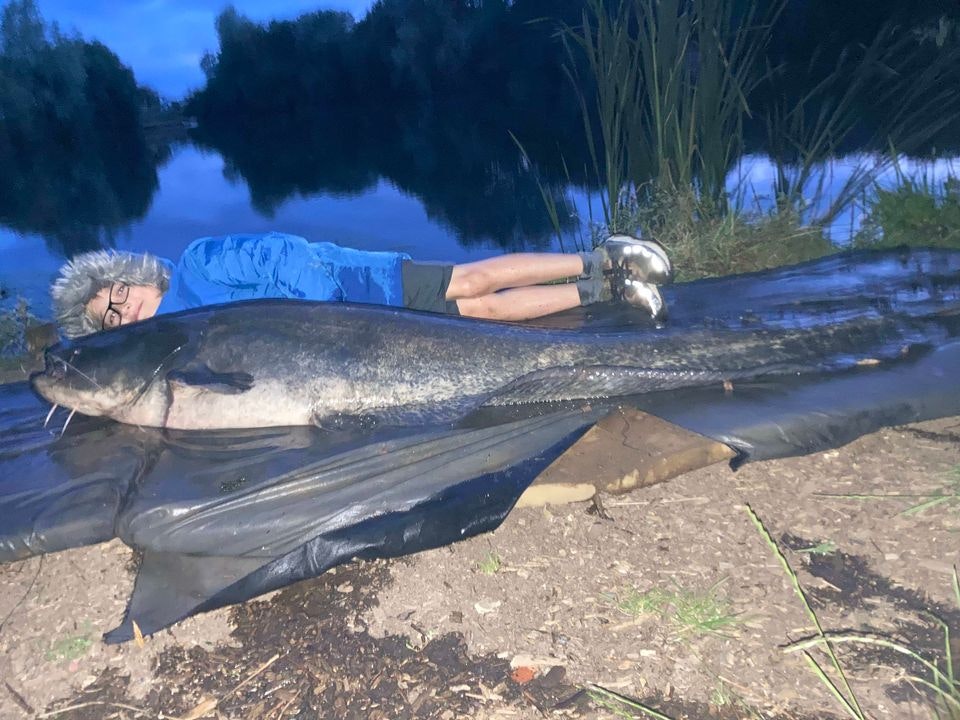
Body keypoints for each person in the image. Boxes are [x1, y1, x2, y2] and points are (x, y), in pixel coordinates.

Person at [52, 231, 672, 338]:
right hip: (361, 338)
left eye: (115, 297)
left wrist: (325, 315)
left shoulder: (197, 262)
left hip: (361, 286)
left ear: (127, 277)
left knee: (470, 279)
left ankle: (598, 259)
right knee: (480, 316)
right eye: (108, 319)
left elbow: (284, 257)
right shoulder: (172, 340)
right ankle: (602, 293)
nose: (121, 312)